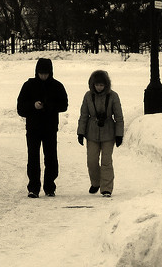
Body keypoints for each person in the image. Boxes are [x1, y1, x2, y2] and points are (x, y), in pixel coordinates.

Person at [16, 57, 68, 198]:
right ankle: (33, 187)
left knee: (51, 157)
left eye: (46, 73)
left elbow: (64, 105)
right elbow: (20, 108)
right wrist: (33, 106)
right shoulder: (28, 86)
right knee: (33, 158)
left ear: (50, 72)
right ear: (36, 72)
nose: (43, 76)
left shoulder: (57, 86)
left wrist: (49, 105)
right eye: (41, 73)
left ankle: (50, 186)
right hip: (33, 128)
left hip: (50, 128)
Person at [76, 69, 124, 197]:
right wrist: (80, 132)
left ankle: (106, 188)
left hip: (108, 133)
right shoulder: (88, 96)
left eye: (102, 85)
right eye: (97, 85)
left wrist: (119, 134)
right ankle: (96, 182)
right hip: (91, 133)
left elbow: (119, 117)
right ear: (92, 84)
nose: (99, 87)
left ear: (106, 85)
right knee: (91, 161)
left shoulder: (113, 96)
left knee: (106, 161)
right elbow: (84, 115)